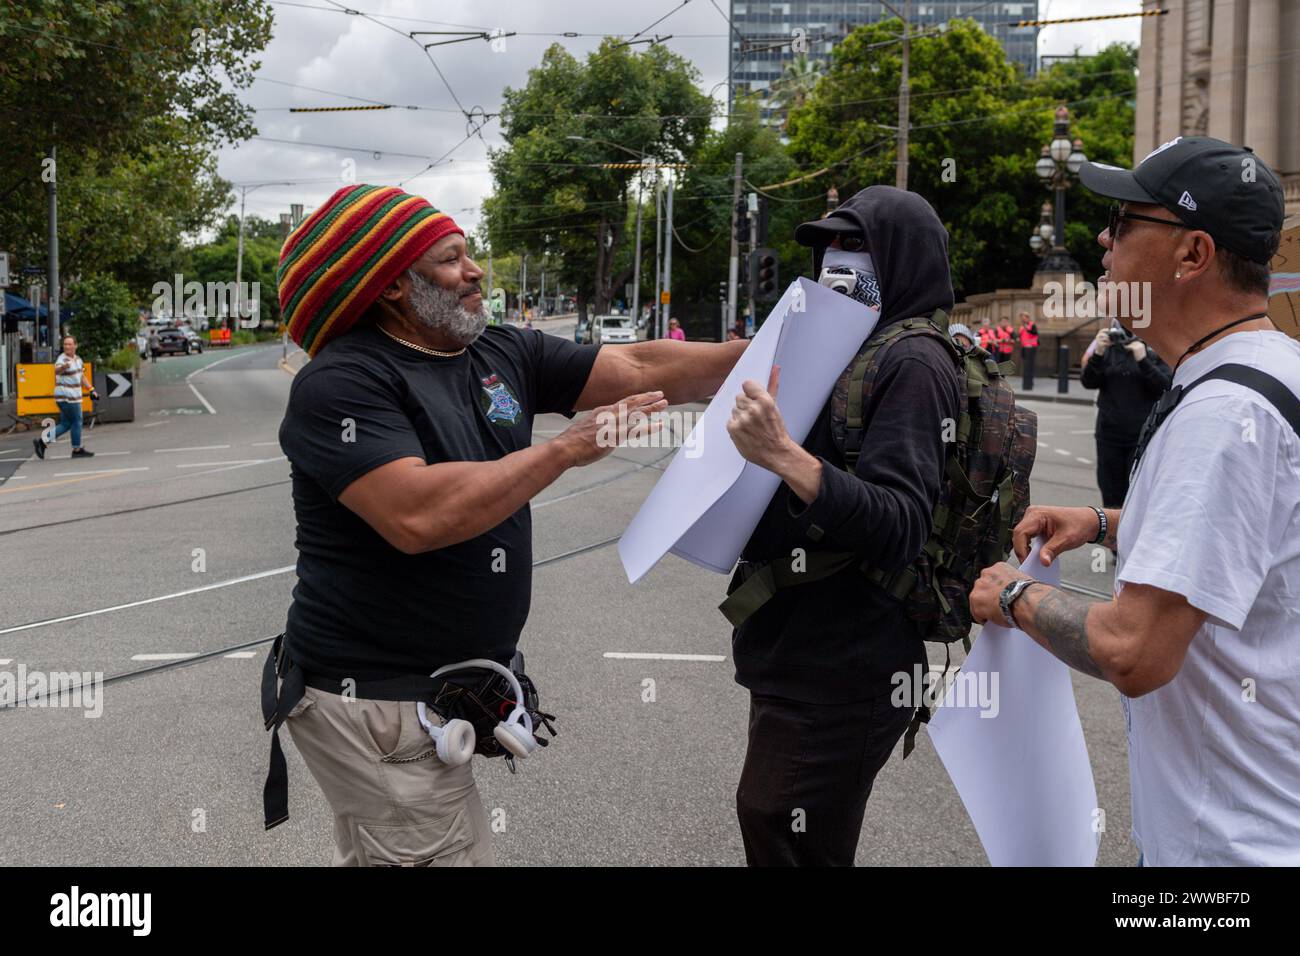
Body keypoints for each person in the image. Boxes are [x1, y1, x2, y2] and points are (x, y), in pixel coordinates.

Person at [263, 184, 747, 866]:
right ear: (395, 286)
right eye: (451, 259)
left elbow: (638, 364)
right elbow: (417, 513)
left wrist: (772, 353)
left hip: (435, 692)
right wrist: (567, 449)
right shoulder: (342, 384)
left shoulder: (497, 352)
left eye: (469, 253)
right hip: (376, 697)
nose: (475, 271)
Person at [970, 136, 1298, 866]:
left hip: (1229, 851)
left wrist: (1014, 595)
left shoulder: (1222, 416)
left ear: (1192, 255)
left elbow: (1134, 650)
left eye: (1124, 220)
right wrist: (1102, 522)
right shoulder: (1272, 369)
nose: (1102, 238)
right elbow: (1255, 540)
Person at [720, 186, 962, 866]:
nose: (833, 258)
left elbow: (900, 524)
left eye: (853, 245)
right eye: (829, 243)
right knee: (780, 825)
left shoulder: (914, 362)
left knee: (783, 826)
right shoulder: (844, 351)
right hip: (799, 646)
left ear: (901, 259)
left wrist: (785, 457)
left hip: (849, 658)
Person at [1080, 322, 1172, 507]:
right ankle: (1111, 535)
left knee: (1137, 495)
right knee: (1111, 493)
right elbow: (1089, 381)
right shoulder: (1109, 349)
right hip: (1109, 433)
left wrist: (1143, 360)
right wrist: (1097, 354)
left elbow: (1164, 387)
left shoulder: (1153, 348)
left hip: (1141, 437)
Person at [32, 334, 98, 460]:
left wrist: (91, 389)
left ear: (75, 345)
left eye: (69, 344)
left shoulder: (78, 359)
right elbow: (57, 371)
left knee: (66, 424)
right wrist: (64, 366)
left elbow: (81, 376)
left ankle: (42, 442)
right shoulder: (62, 359)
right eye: (65, 344)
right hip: (68, 397)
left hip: (71, 397)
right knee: (77, 422)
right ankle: (77, 449)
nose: (67, 346)